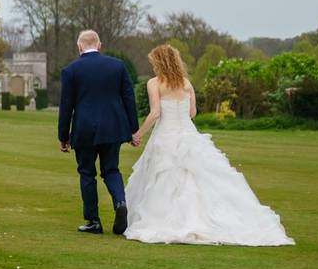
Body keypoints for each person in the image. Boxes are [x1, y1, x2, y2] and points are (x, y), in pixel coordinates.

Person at [124, 44, 294, 246]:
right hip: (188, 134)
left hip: (166, 135)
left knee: (164, 178)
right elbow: (192, 113)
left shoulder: (154, 83)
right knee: (194, 179)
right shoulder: (186, 83)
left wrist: (139, 133)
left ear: (159, 62)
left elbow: (155, 113)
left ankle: (171, 220)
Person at [57, 30, 139, 234]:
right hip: (113, 127)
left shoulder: (71, 70)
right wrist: (133, 129)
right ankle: (120, 202)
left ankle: (94, 221)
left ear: (79, 47)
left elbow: (66, 106)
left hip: (84, 129)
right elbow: (129, 98)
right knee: (111, 169)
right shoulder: (117, 66)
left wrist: (63, 136)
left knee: (87, 173)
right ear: (99, 45)